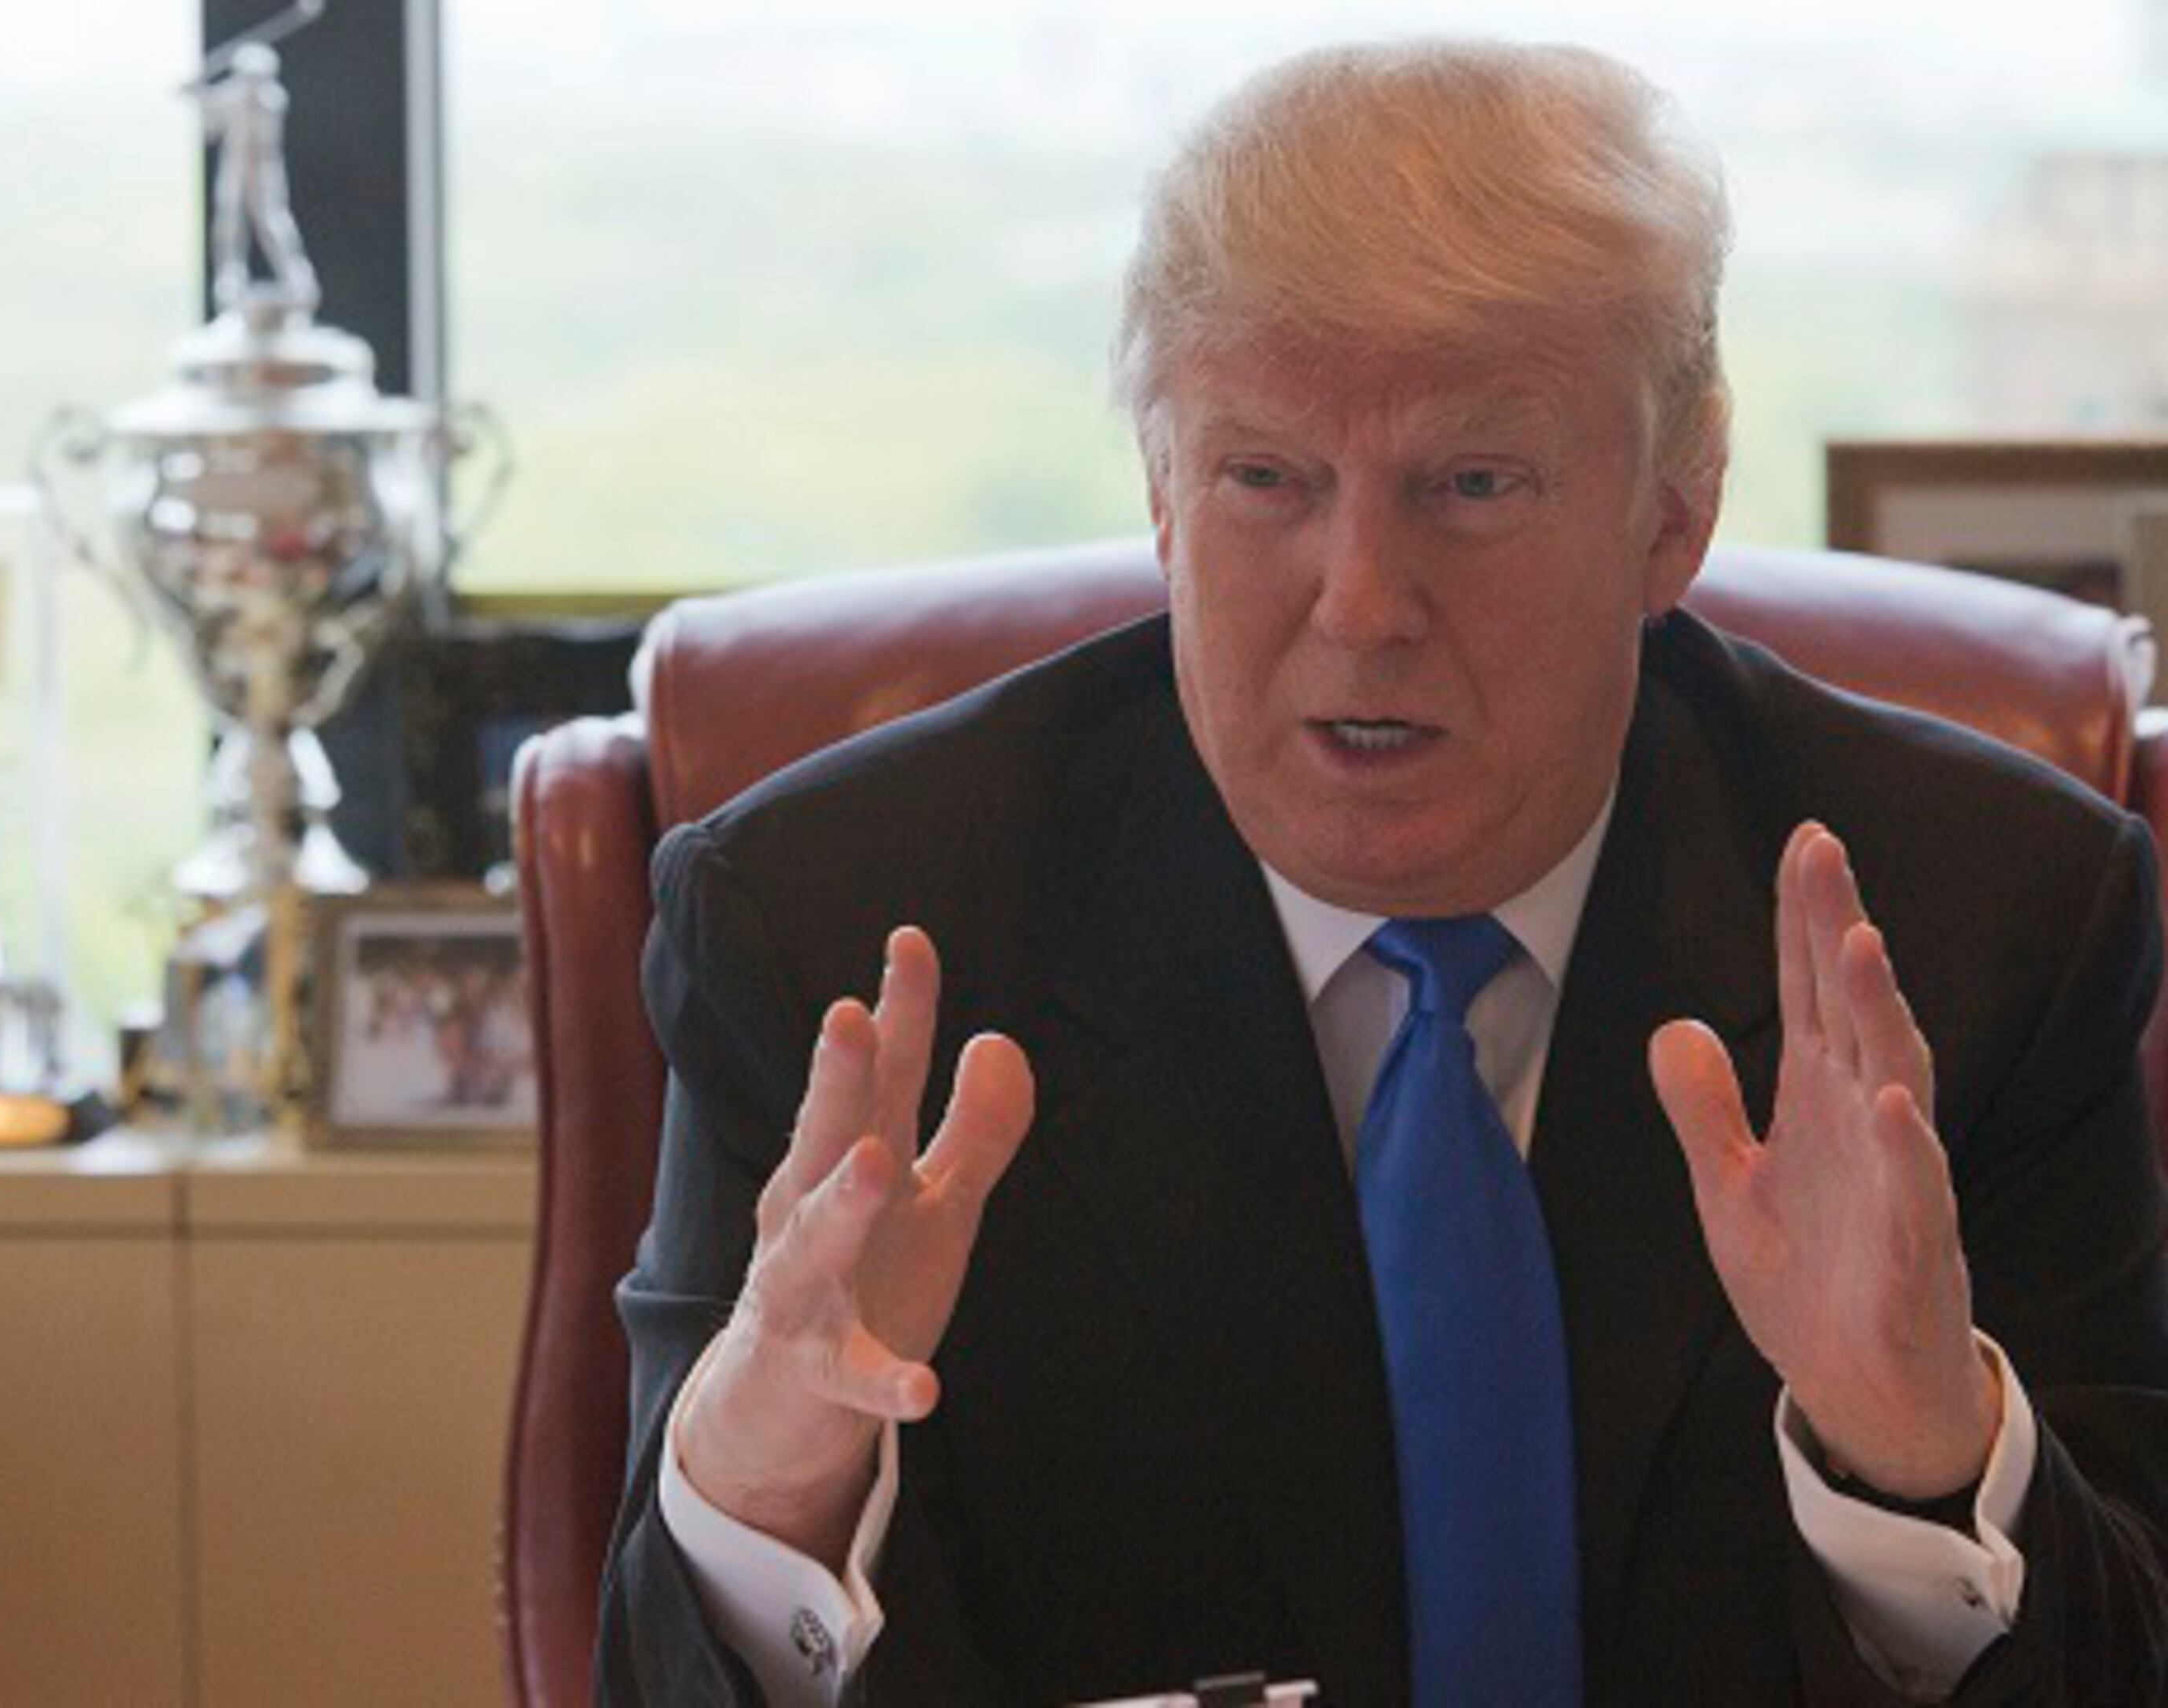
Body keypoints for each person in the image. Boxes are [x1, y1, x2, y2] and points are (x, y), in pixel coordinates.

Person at [600, 40, 2168, 1708]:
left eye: (1471, 486)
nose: (1360, 603)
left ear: (1676, 508)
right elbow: (639, 1670)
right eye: (1264, 479)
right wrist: (773, 1494)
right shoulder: (838, 925)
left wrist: (1924, 1459)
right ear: (1158, 491)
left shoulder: (1984, 923)